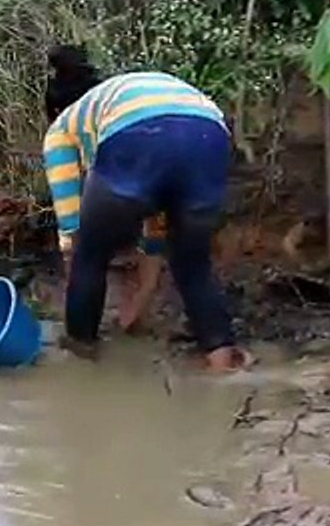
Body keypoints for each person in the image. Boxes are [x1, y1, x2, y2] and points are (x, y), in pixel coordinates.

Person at [42, 45, 249, 371]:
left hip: (138, 136)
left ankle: (81, 361)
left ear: (55, 111)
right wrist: (142, 297)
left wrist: (76, 270)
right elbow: (158, 216)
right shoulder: (117, 99)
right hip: (210, 135)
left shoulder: (61, 129)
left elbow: (71, 229)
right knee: (192, 264)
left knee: (90, 255)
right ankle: (222, 360)